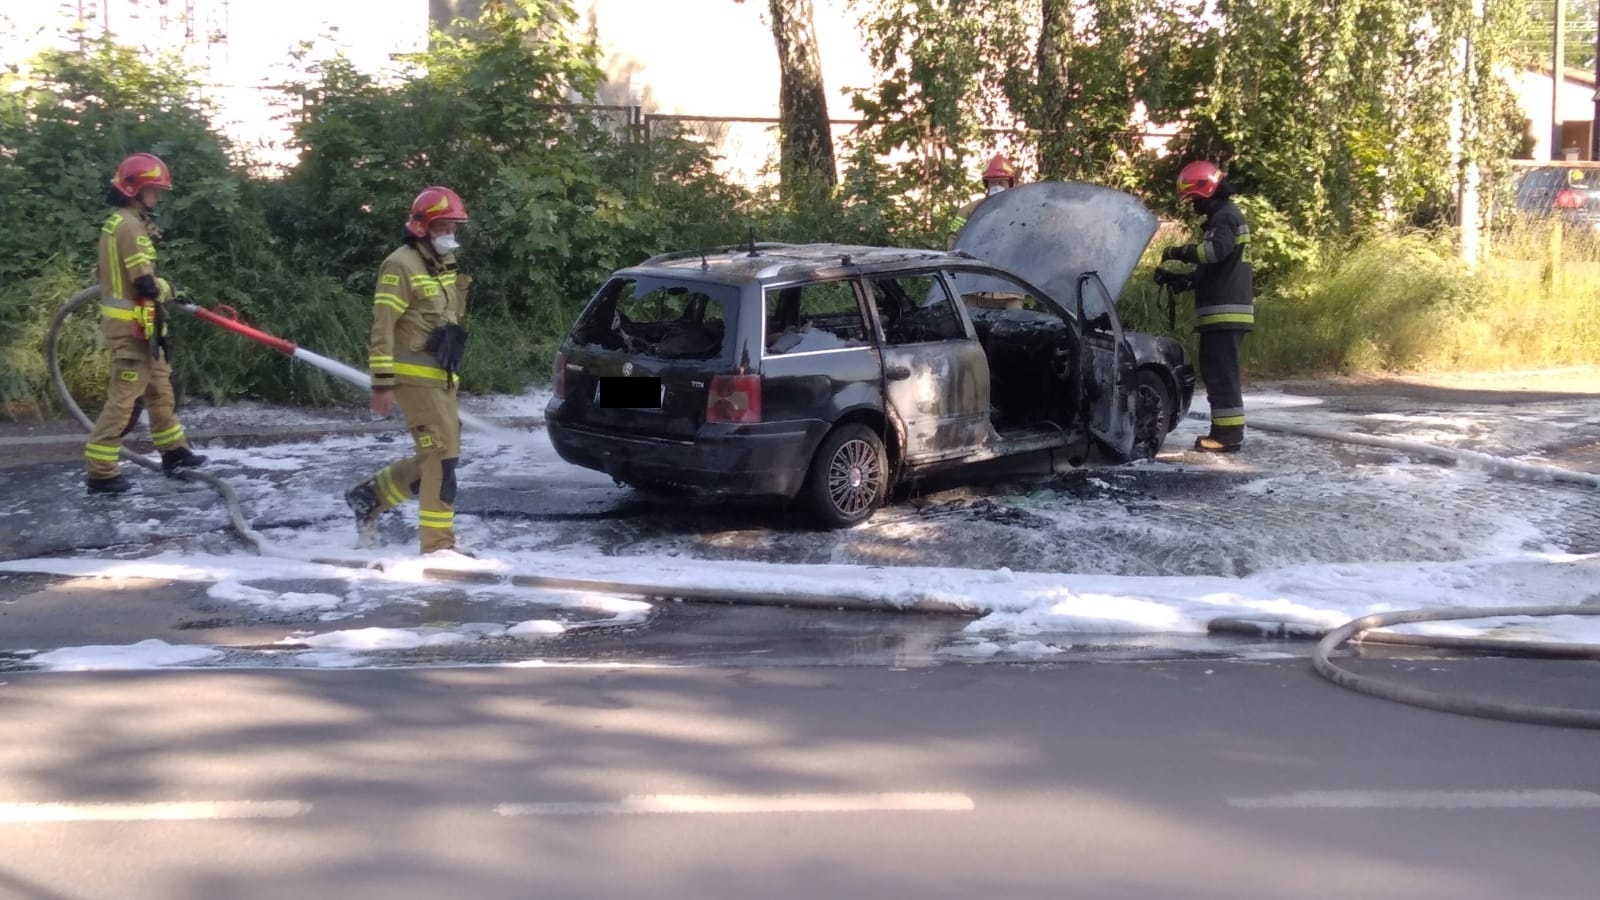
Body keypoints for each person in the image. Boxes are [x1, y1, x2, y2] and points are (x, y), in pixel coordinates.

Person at [345, 186, 473, 555]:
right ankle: (437, 546)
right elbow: (382, 328)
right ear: (423, 227)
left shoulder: (441, 264)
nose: (450, 234)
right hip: (415, 379)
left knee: (439, 454)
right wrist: (381, 383)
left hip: (442, 378)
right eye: (444, 227)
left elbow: (447, 317)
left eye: (454, 227)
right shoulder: (400, 265)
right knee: (441, 456)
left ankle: (370, 496)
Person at [83, 152, 208, 494]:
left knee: (160, 393)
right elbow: (146, 284)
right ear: (137, 188)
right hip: (131, 333)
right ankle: (101, 471)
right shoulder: (130, 226)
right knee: (123, 402)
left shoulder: (121, 221)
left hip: (144, 330)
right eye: (155, 189)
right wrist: (170, 289)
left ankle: (174, 453)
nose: (159, 196)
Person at [1161, 160, 1254, 453]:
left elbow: (1213, 252)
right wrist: (1182, 281)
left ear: (1206, 191)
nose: (1193, 207)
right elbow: (1214, 270)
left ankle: (1227, 438)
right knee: (1218, 372)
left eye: (1194, 200)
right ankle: (1225, 434)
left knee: (1221, 374)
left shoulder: (1224, 218)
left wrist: (1180, 251)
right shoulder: (1226, 216)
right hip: (1224, 312)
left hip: (1225, 313)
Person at [950, 153, 1017, 247]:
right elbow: (953, 236)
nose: (997, 186)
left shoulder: (1019, 210)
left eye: (1001, 182)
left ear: (1010, 184)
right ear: (987, 184)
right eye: (993, 182)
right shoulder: (967, 211)